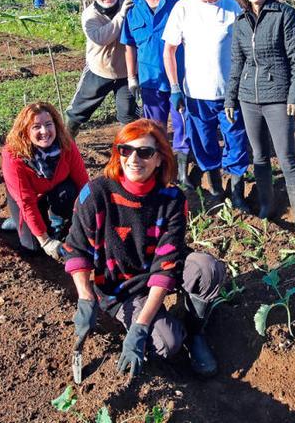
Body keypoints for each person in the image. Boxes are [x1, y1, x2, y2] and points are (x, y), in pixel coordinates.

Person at [64, 119, 226, 379]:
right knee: (168, 343)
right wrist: (85, 297)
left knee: (207, 270)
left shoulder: (171, 199)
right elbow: (76, 248)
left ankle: (196, 333)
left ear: (160, 158)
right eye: (125, 150)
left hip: (159, 269)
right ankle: (170, 328)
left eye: (145, 152)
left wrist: (139, 327)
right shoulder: (96, 193)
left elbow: (166, 266)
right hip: (122, 287)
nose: (133, 159)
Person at [225, 0, 295, 234]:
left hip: (278, 97)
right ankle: (266, 206)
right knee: (259, 156)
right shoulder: (240, 22)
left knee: (286, 158)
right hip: (249, 98)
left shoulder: (284, 14)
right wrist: (230, 99)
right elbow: (237, 63)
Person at [163, 0, 250, 211]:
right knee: (204, 144)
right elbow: (169, 49)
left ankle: (237, 195)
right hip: (196, 95)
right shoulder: (183, 8)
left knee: (236, 141)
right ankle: (215, 191)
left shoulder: (232, 7)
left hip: (229, 95)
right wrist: (175, 87)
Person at [120, 0, 191, 187]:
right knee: (155, 130)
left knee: (182, 126)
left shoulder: (179, 3)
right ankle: (160, 173)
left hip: (178, 80)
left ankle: (182, 173)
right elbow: (129, 46)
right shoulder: (132, 10)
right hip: (150, 81)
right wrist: (132, 78)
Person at [1, 102, 89, 259]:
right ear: (25, 131)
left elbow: (83, 184)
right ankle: (18, 221)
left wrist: (91, 223)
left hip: (58, 191)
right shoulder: (14, 156)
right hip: (27, 198)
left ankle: (57, 223)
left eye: (49, 124)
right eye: (36, 127)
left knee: (69, 191)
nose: (44, 131)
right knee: (33, 248)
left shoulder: (66, 144)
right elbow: (26, 201)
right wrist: (45, 241)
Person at [64, 0, 136, 137]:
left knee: (128, 115)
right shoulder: (90, 15)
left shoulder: (129, 2)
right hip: (99, 70)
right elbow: (102, 38)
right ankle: (67, 140)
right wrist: (122, 15)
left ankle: (130, 147)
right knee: (78, 111)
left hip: (127, 72)